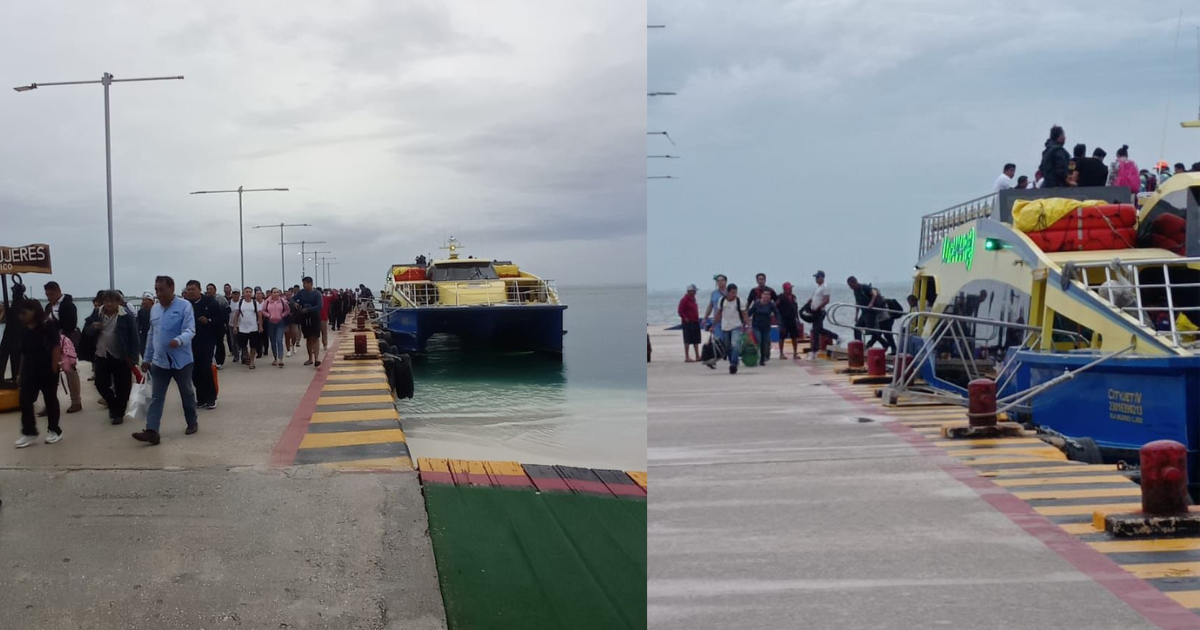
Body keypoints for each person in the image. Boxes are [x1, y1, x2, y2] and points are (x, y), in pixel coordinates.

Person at [134, 276, 198, 445]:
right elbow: (150, 335)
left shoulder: (185, 306)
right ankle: (152, 431)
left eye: (161, 289)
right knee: (157, 397)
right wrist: (147, 358)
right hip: (159, 362)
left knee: (187, 392)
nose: (158, 293)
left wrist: (179, 340)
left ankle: (192, 422)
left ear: (172, 288)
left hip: (181, 361)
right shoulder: (154, 310)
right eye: (156, 290)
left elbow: (190, 330)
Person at [83, 290, 139, 425]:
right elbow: (87, 331)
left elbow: (134, 337)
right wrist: (93, 327)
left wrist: (134, 357)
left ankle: (118, 413)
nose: (108, 304)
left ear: (118, 302)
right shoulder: (97, 313)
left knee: (123, 386)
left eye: (111, 301)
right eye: (106, 301)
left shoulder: (126, 315)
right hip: (102, 353)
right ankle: (113, 405)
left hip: (120, 355)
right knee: (100, 383)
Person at [14, 300, 63, 448]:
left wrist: (54, 367)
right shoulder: (24, 330)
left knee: (50, 399)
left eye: (24, 313)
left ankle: (55, 430)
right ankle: (29, 432)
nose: (21, 316)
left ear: (33, 311)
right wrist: (20, 372)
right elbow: (23, 352)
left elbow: (56, 346)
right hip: (30, 370)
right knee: (25, 401)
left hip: (48, 369)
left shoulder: (48, 325)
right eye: (20, 313)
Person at [44, 281, 82, 413]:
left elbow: (71, 324)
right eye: (47, 294)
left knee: (69, 371)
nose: (49, 297)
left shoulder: (68, 305)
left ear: (58, 291)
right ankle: (49, 403)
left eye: (51, 294)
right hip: (51, 343)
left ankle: (76, 401)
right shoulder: (49, 306)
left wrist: (55, 326)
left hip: (66, 343)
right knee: (50, 374)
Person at [184, 280, 222, 410]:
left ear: (200, 290)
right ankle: (200, 398)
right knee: (194, 371)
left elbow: (219, 321)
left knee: (205, 368)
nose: (190, 292)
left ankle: (211, 398)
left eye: (193, 289)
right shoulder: (185, 304)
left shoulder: (210, 302)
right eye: (188, 289)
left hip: (207, 341)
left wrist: (208, 321)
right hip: (190, 342)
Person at [707, 283, 748, 374]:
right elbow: (718, 313)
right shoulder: (722, 301)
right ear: (728, 292)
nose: (734, 294)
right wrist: (713, 325)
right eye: (733, 292)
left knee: (735, 345)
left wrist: (749, 325)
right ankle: (733, 362)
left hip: (736, 326)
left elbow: (744, 314)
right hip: (725, 327)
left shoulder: (739, 301)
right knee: (727, 347)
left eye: (736, 292)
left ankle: (733, 364)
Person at [292, 277, 324, 367]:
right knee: (308, 338)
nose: (304, 285)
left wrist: (308, 309)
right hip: (304, 318)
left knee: (315, 337)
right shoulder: (301, 293)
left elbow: (319, 306)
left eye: (305, 283)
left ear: (310, 283)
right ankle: (310, 358)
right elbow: (292, 299)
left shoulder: (317, 294)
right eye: (303, 284)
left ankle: (317, 358)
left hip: (314, 317)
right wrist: (295, 303)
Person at [747, 290, 779, 366]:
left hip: (766, 327)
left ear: (770, 297)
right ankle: (756, 355)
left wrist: (780, 324)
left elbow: (777, 314)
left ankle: (762, 359)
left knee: (765, 343)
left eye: (768, 295)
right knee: (759, 340)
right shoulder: (756, 303)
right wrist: (744, 321)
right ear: (761, 296)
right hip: (756, 326)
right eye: (765, 295)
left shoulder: (771, 305)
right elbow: (750, 312)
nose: (766, 297)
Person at [805, 271, 832, 361]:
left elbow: (826, 300)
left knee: (816, 331)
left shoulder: (825, 287)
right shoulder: (818, 288)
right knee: (818, 329)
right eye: (816, 278)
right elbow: (814, 297)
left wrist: (818, 307)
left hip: (820, 312)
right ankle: (837, 337)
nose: (816, 279)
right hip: (814, 311)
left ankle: (814, 351)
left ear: (822, 278)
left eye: (817, 277)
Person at [234, 286, 263, 369]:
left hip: (253, 328)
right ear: (243, 293)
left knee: (253, 345)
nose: (248, 293)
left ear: (252, 293)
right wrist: (235, 326)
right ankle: (247, 355)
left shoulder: (255, 303)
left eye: (249, 292)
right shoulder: (240, 303)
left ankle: (252, 362)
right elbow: (236, 315)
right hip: (242, 328)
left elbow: (259, 315)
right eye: (246, 292)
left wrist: (260, 326)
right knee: (243, 345)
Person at [262, 288, 291, 368]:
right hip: (270, 323)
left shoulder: (282, 301)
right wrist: (269, 316)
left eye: (277, 292)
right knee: (273, 341)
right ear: (271, 293)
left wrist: (282, 315)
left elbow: (287, 310)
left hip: (280, 323)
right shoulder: (267, 301)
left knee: (279, 340)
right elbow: (263, 311)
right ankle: (275, 358)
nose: (276, 294)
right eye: (274, 292)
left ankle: (281, 358)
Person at [847, 276, 879, 343]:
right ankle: (859, 344)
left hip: (871, 312)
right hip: (864, 312)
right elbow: (857, 303)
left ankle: (885, 343)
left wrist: (871, 303)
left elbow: (875, 294)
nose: (850, 287)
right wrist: (856, 315)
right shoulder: (855, 291)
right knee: (857, 328)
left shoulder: (864, 287)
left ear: (855, 282)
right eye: (849, 286)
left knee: (871, 331)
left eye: (851, 285)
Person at [776, 282, 802, 359]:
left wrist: (797, 319)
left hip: (792, 319)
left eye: (791, 288)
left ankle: (795, 353)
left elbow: (795, 308)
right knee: (782, 336)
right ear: (785, 289)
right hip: (783, 320)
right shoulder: (780, 297)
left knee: (794, 337)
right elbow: (775, 306)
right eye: (789, 288)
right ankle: (781, 354)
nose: (790, 289)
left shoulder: (794, 297)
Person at [207, 283, 229, 370]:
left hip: (219, 325)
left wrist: (222, 320)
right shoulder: (206, 300)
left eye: (211, 289)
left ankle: (220, 361)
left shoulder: (220, 299)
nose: (209, 291)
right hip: (209, 326)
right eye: (208, 289)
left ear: (215, 290)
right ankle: (212, 361)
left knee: (219, 343)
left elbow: (228, 310)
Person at [677, 284, 701, 362]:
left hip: (695, 321)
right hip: (688, 323)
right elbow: (680, 311)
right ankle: (687, 356)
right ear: (689, 291)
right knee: (687, 340)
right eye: (694, 291)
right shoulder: (684, 300)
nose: (695, 293)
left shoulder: (693, 299)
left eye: (695, 291)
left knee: (696, 340)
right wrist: (685, 318)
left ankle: (697, 355)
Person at [227, 289, 243, 364]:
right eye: (234, 293)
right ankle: (236, 356)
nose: (235, 295)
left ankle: (244, 355)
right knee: (233, 342)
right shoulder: (229, 302)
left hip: (242, 324)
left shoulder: (242, 302)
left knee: (242, 341)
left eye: (237, 293)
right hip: (231, 324)